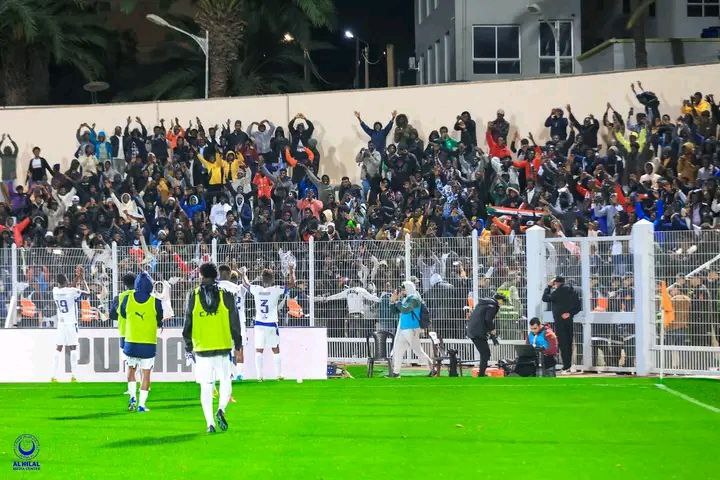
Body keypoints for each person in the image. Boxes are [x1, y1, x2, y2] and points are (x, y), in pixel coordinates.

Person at [183, 263, 243, 433]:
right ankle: (221, 409)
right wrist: (238, 342)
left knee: (206, 386)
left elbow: (188, 321)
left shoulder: (193, 295)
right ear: (216, 275)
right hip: (222, 347)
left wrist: (188, 345)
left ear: (201, 275)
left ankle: (210, 423)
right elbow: (234, 321)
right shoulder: (226, 294)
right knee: (226, 381)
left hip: (202, 348)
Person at [242, 265, 296, 381]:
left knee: (259, 350)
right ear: (272, 279)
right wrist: (291, 271)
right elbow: (292, 284)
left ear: (262, 279)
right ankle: (278, 375)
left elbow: (246, 284)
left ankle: (259, 376)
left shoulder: (257, 289)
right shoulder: (276, 289)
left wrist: (244, 273)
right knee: (275, 349)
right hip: (271, 324)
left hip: (259, 324)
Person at [120, 272, 163, 412]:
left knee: (131, 369)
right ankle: (141, 405)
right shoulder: (156, 302)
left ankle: (132, 397)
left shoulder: (127, 299)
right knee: (146, 373)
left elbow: (123, 313)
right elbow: (159, 318)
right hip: (148, 344)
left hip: (131, 341)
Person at [390, 281, 434, 377]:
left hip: (412, 329)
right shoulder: (406, 299)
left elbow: (405, 309)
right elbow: (394, 311)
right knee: (398, 350)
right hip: (404, 329)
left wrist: (397, 302)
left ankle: (433, 369)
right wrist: (392, 301)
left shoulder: (415, 298)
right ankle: (396, 372)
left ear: (408, 288)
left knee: (418, 351)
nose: (402, 291)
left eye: (403, 289)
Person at [51, 274, 87, 382]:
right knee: (73, 348)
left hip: (61, 323)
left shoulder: (55, 291)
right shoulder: (71, 291)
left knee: (58, 348)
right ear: (66, 281)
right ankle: (74, 376)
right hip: (71, 322)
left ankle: (53, 375)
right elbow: (88, 293)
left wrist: (77, 277)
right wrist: (82, 279)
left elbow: (68, 288)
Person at [542, 275, 582, 374]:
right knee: (569, 343)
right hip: (569, 320)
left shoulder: (558, 291)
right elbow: (578, 306)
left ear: (556, 282)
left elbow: (545, 298)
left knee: (563, 344)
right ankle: (570, 364)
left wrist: (548, 286)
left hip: (560, 322)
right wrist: (570, 313)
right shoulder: (573, 290)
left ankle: (566, 365)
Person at [217, 264, 248, 380]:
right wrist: (242, 274)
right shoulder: (240, 289)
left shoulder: (222, 288)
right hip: (240, 321)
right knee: (239, 348)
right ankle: (239, 374)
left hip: (226, 320)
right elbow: (247, 284)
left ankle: (230, 373)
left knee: (227, 349)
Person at [467, 294, 506, 377]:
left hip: (473, 330)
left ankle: (482, 373)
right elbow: (488, 319)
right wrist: (492, 330)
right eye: (502, 302)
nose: (502, 304)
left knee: (485, 353)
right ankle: (481, 375)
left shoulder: (484, 303)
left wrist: (491, 334)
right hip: (478, 332)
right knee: (485, 353)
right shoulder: (493, 306)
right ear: (499, 300)